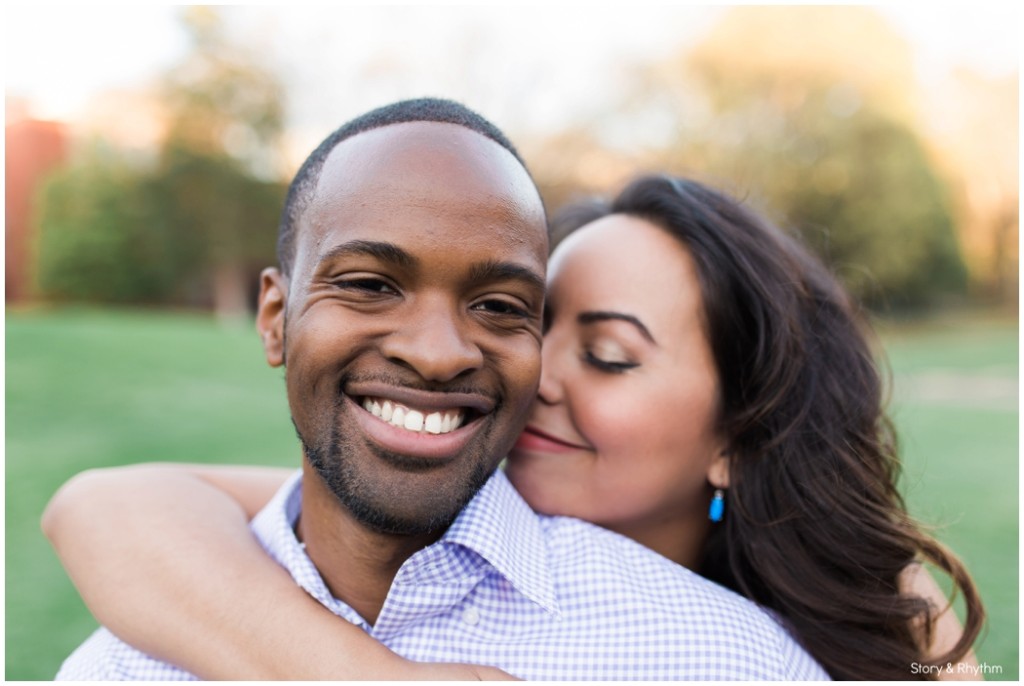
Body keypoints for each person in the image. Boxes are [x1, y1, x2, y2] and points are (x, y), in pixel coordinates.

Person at [47, 171, 985, 681]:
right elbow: (106, 508)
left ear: (736, 436)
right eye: (528, 324)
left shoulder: (856, 629)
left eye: (610, 355)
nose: (528, 380)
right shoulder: (446, 503)